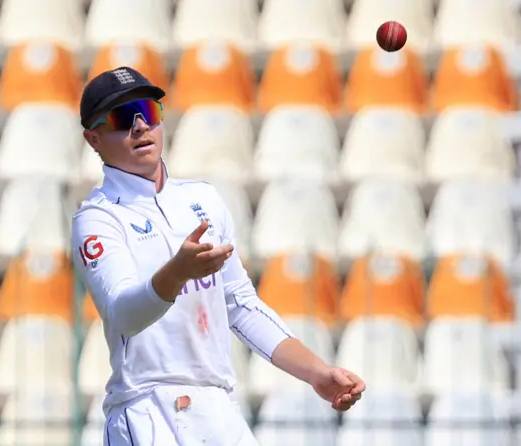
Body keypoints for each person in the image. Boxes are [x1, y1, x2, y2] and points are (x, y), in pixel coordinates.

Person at [72, 66, 365, 445]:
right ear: (93, 139)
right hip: (147, 410)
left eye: (149, 110)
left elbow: (241, 306)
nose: (141, 126)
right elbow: (125, 315)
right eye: (122, 118)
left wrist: (317, 373)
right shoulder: (97, 218)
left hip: (219, 407)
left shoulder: (202, 199)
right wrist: (177, 273)